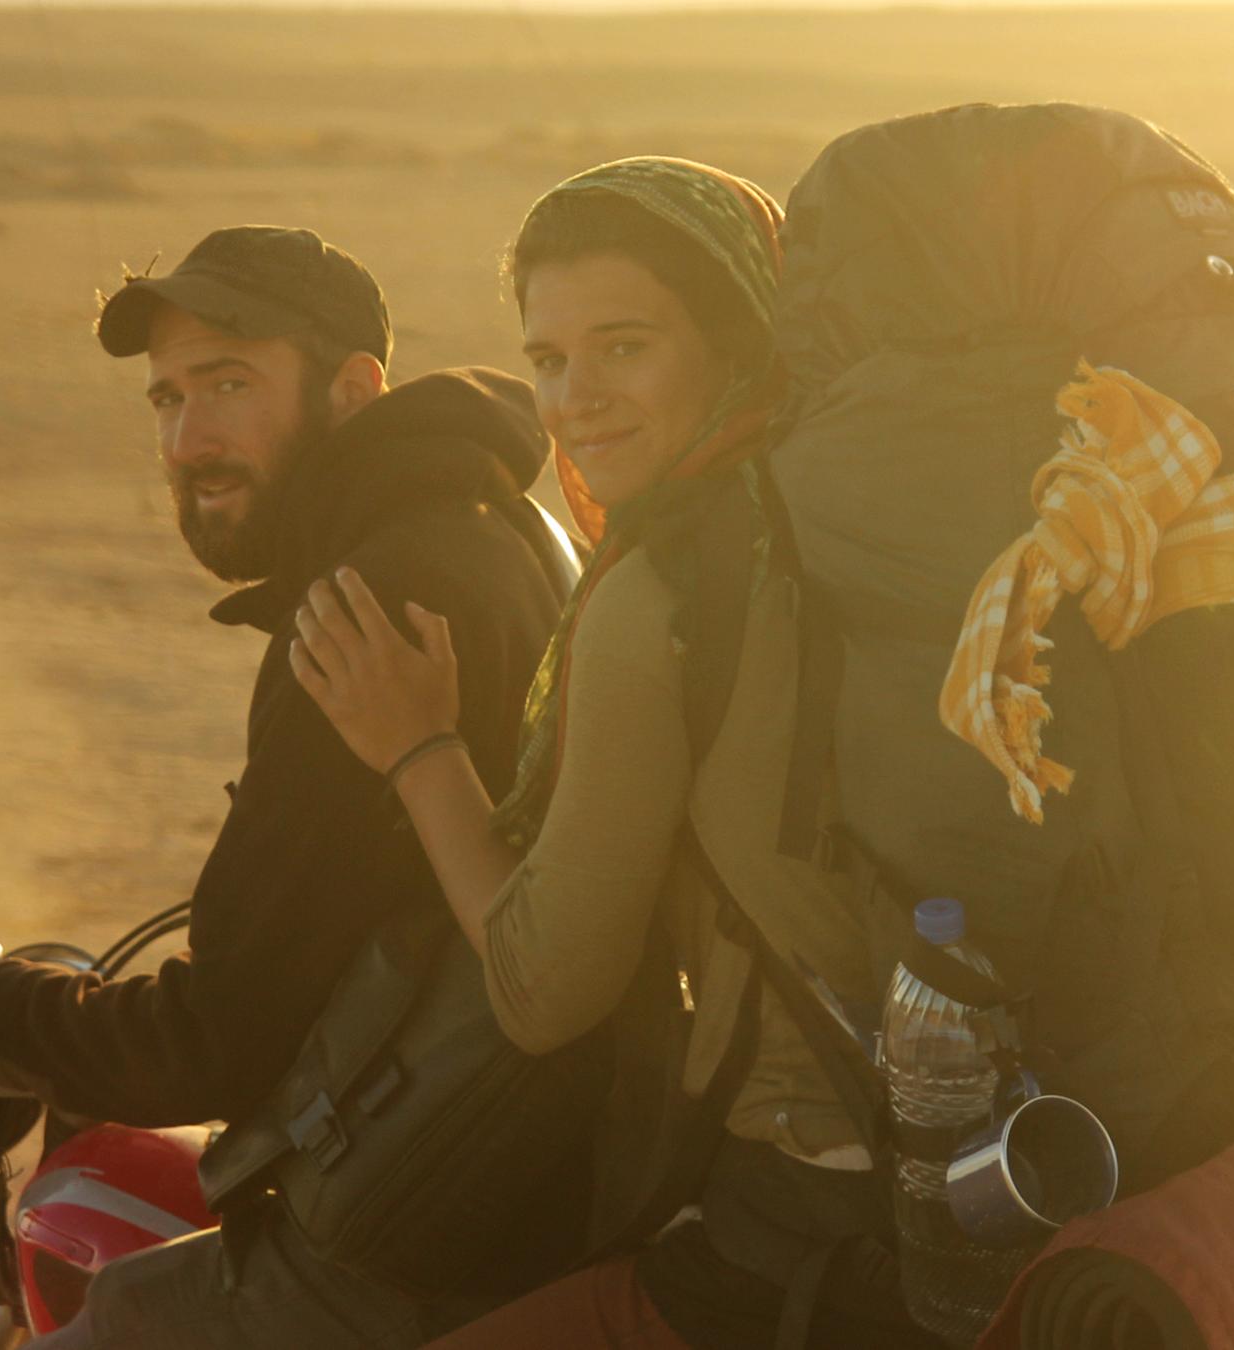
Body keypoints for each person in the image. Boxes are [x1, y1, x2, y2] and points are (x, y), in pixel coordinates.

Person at [0, 224, 580, 1348]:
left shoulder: (365, 603)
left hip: (426, 1221)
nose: (190, 439)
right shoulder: (493, 523)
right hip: (514, 1154)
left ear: (352, 390)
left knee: (123, 1313)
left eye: (229, 384)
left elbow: (221, 1041)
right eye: (167, 399)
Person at [290, 159, 940, 1349]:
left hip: (812, 1209)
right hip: (970, 1146)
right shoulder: (853, 525)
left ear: (738, 341)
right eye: (548, 359)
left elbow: (545, 990)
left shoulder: (669, 591)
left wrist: (420, 748)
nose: (574, 401)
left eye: (625, 347)